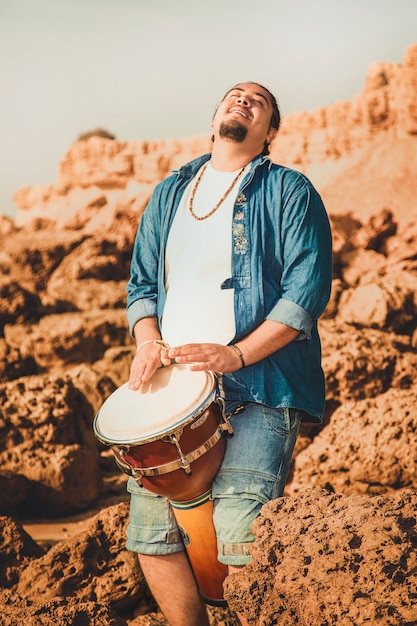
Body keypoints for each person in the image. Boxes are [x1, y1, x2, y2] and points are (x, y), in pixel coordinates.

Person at [125, 82, 333, 626]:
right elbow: (141, 285)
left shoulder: (290, 191)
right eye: (234, 95)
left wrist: (236, 355)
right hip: (171, 393)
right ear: (216, 113)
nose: (243, 100)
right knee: (152, 534)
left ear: (270, 133)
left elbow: (305, 293)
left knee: (243, 533)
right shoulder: (170, 193)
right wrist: (148, 341)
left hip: (258, 386)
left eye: (258, 101)